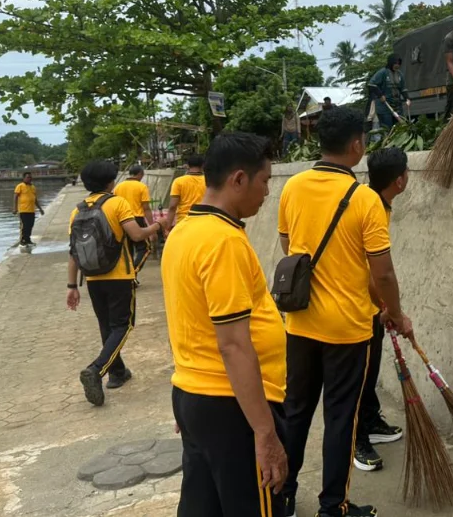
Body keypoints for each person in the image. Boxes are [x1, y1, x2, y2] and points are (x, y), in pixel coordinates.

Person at [278, 106, 412, 517]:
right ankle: (332, 506)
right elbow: (383, 272)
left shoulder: (293, 187)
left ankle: (282, 496)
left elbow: (289, 246)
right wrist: (395, 313)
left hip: (299, 322)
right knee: (341, 418)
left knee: (296, 412)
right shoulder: (365, 200)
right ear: (356, 145)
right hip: (348, 330)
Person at [163, 132, 289, 517]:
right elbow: (233, 345)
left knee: (203, 506)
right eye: (265, 180)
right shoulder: (222, 242)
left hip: (196, 394)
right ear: (238, 179)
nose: (267, 192)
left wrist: (190, 399)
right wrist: (265, 434)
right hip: (232, 406)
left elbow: (187, 319)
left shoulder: (184, 232)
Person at [66, 160, 166, 406]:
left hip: (92, 278)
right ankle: (97, 369)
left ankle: (117, 373)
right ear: (111, 181)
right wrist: (157, 225)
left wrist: (72, 287)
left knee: (106, 326)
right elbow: (136, 235)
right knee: (123, 325)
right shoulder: (116, 203)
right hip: (119, 276)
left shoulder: (77, 210)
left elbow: (73, 253)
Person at [354, 147, 409, 473]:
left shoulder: (376, 201)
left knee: (370, 371)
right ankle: (358, 440)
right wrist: (392, 311)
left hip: (367, 305)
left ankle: (371, 420)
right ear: (400, 180)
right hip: (355, 307)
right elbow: (378, 273)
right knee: (361, 377)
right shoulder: (372, 207)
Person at [114, 164, 154, 275]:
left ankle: (129, 275)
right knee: (145, 248)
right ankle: (133, 273)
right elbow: (146, 208)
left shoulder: (118, 187)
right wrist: (152, 226)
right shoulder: (141, 187)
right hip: (137, 220)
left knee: (128, 250)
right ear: (140, 174)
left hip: (122, 220)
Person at [368, 55, 410, 129]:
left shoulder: (400, 74)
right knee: (388, 129)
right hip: (385, 107)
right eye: (395, 63)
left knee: (400, 129)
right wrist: (380, 95)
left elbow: (403, 89)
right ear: (391, 63)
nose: (397, 65)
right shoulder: (383, 72)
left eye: (399, 63)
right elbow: (371, 84)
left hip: (397, 107)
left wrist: (407, 98)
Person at [167, 154, 206, 228]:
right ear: (203, 165)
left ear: (187, 166)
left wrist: (168, 227)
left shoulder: (178, 181)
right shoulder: (209, 181)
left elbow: (172, 206)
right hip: (204, 221)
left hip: (183, 222)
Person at [13, 172, 44, 246]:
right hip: (23, 210)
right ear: (24, 178)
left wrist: (40, 209)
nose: (29, 178)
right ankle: (23, 241)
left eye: (30, 177)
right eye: (28, 177)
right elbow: (15, 197)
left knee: (30, 225)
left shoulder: (33, 187)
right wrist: (15, 208)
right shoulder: (20, 186)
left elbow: (35, 199)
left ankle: (28, 240)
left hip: (31, 210)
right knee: (24, 226)